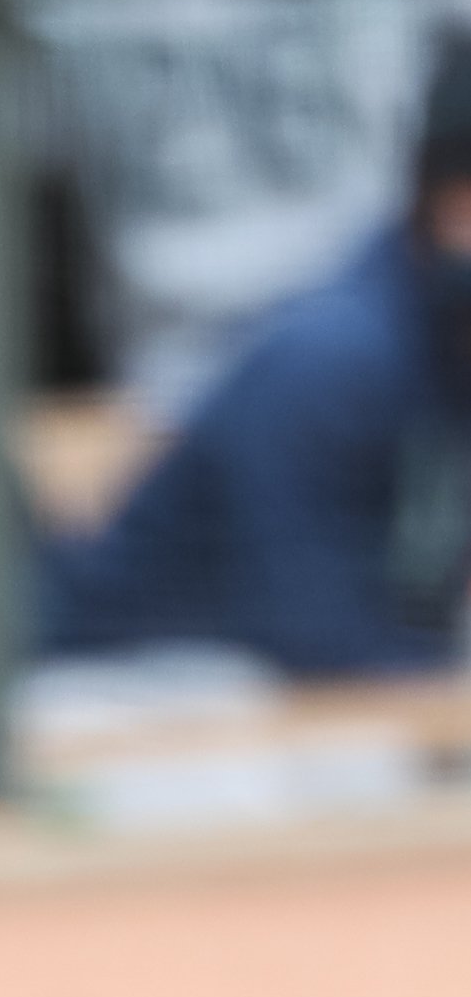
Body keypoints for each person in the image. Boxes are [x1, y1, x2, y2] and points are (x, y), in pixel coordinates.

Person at [42, 38, 471, 674]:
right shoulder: (333, 354)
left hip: (284, 709)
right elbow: (317, 639)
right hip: (124, 689)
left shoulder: (444, 328)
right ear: (446, 196)